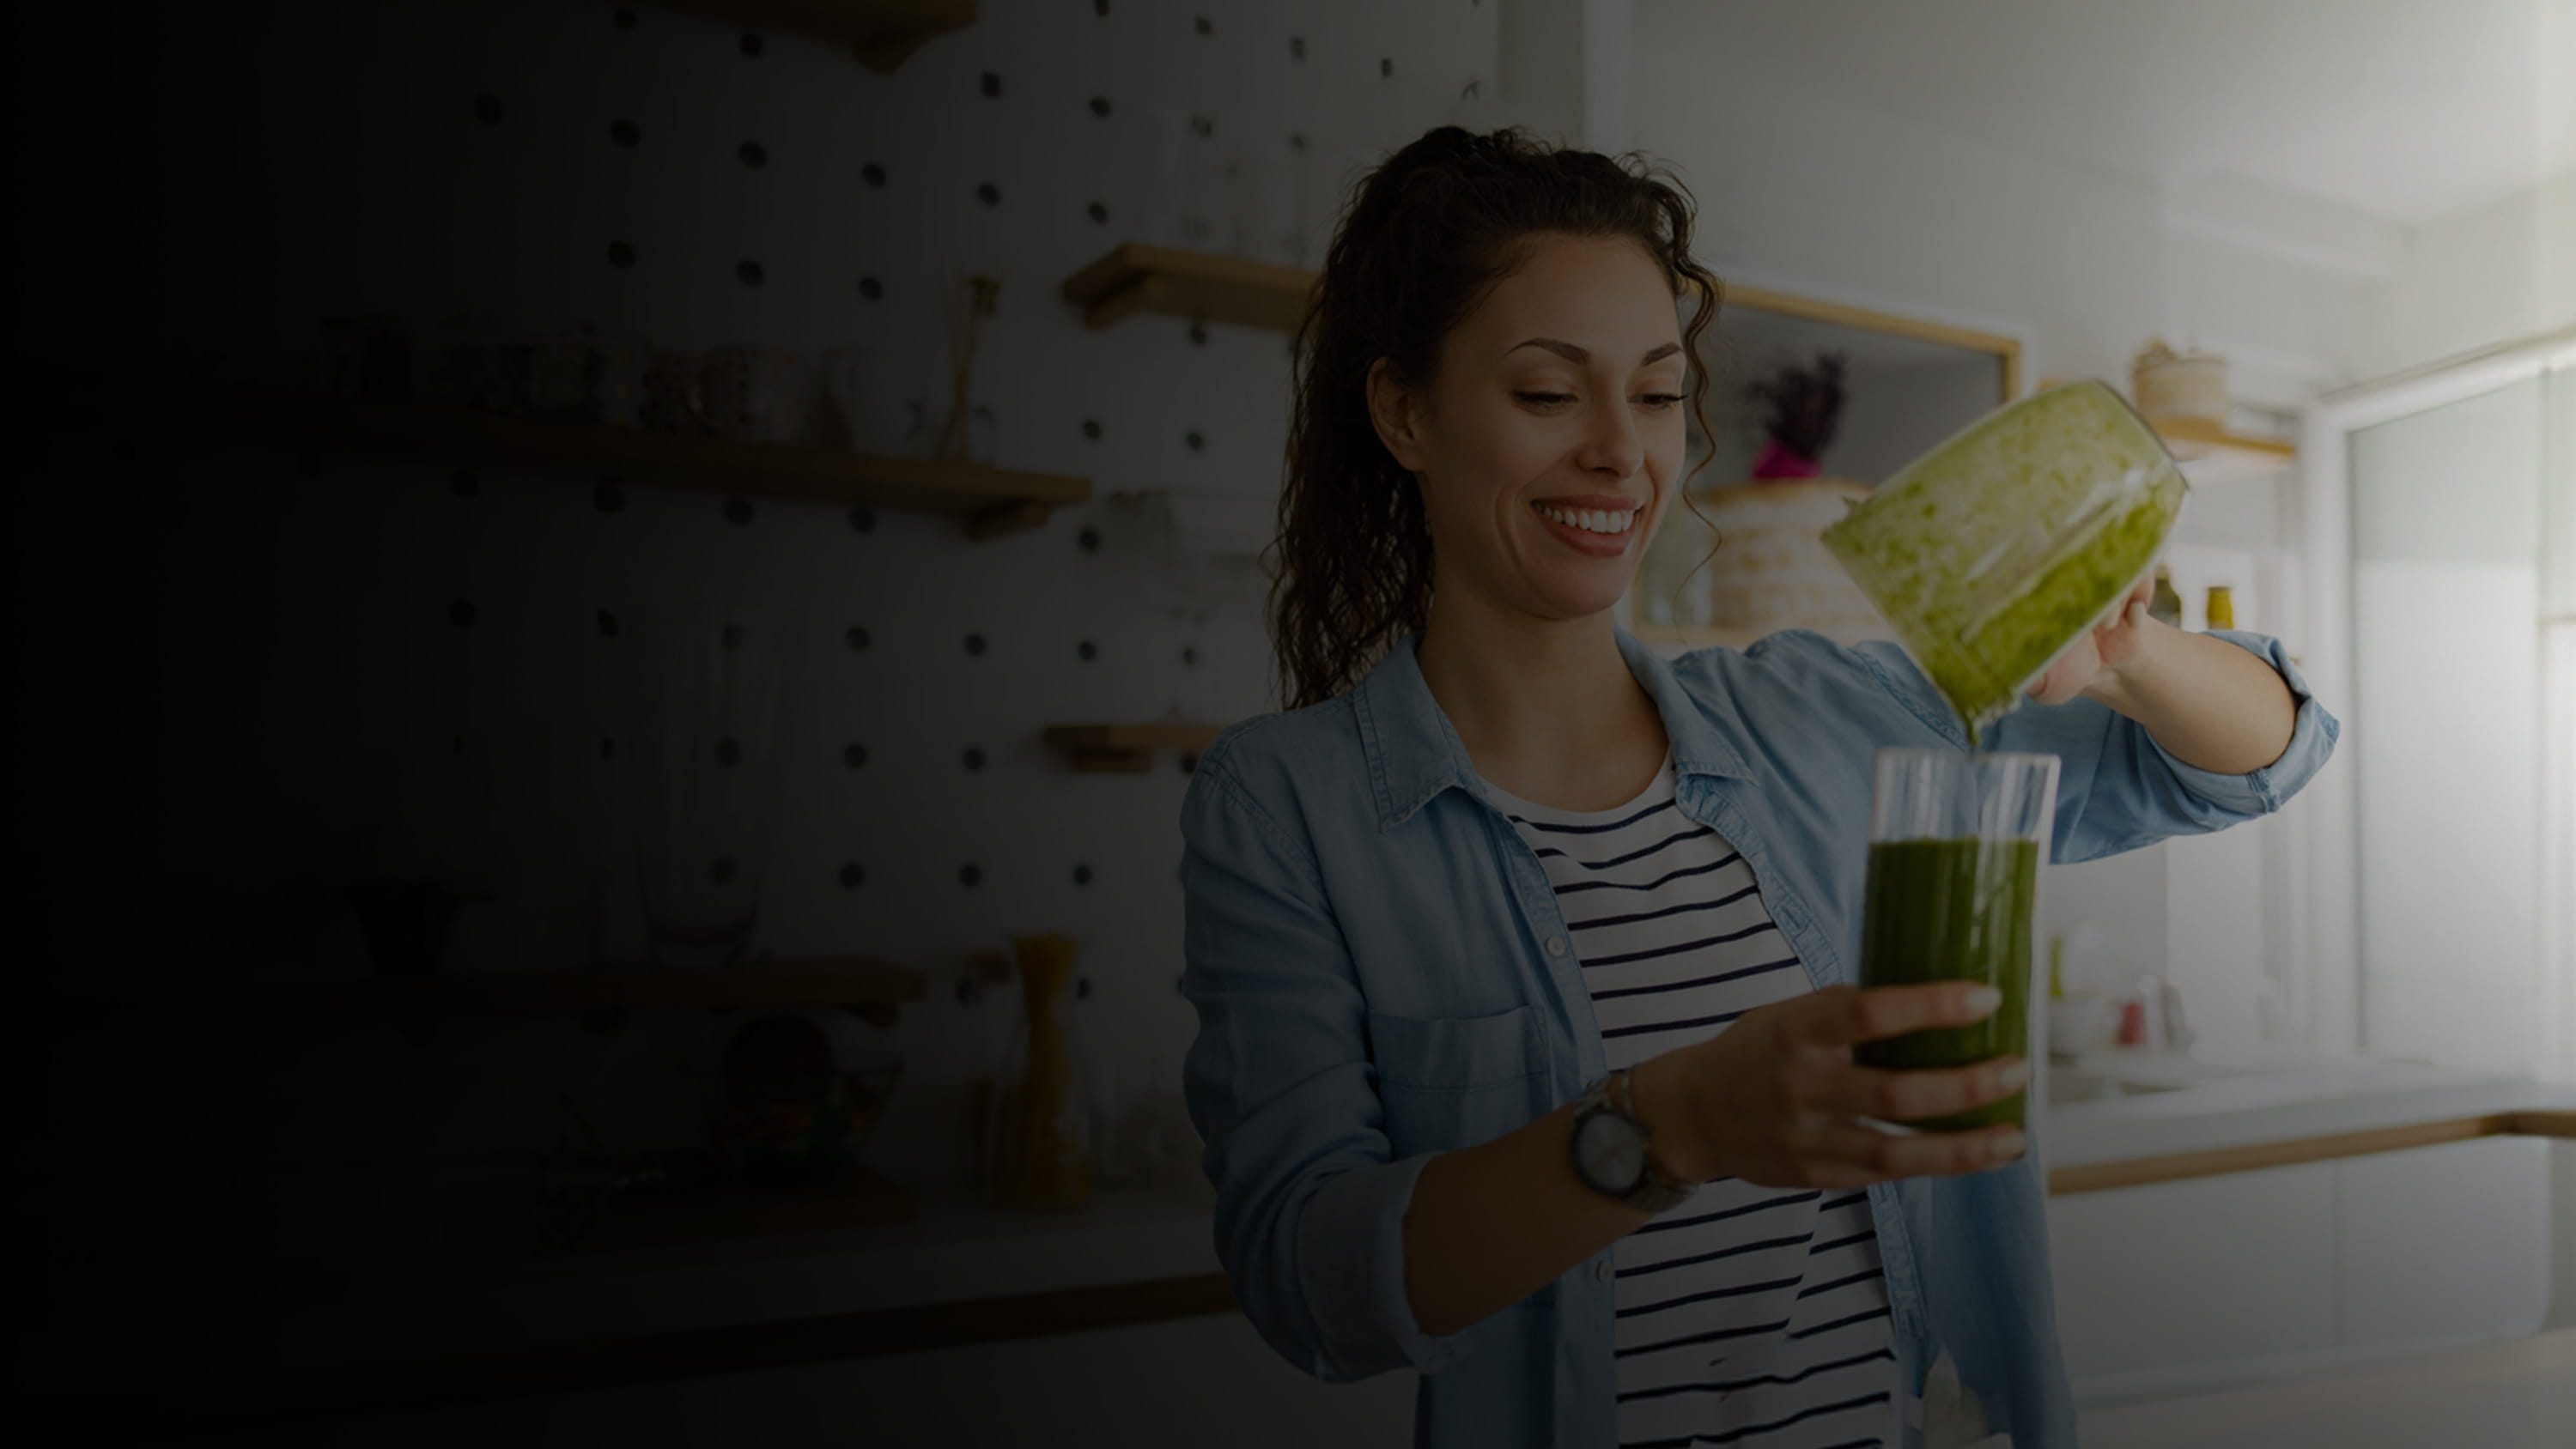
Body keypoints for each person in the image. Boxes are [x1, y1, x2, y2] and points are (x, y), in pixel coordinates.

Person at [1176, 125, 2336, 1449]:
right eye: (1550, 394)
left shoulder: (1834, 716)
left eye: (1659, 395)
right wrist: (1670, 1125)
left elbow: (2261, 756)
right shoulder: (1285, 807)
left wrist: (2126, 649)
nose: (1624, 453)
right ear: (1405, 412)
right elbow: (1312, 1286)